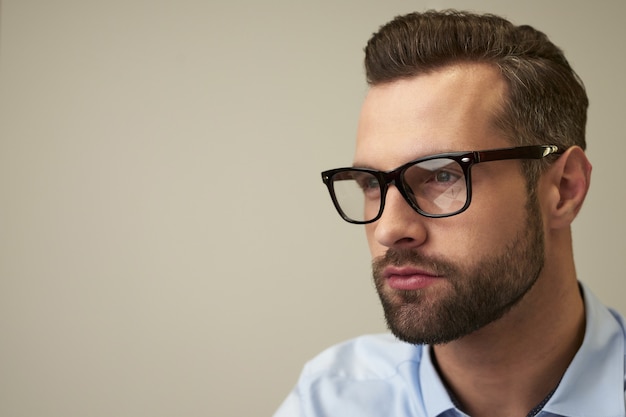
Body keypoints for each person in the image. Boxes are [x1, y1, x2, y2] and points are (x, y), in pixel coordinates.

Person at [274, 10, 625, 417]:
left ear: (564, 189)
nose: (389, 230)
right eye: (372, 183)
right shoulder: (330, 401)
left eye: (442, 175)